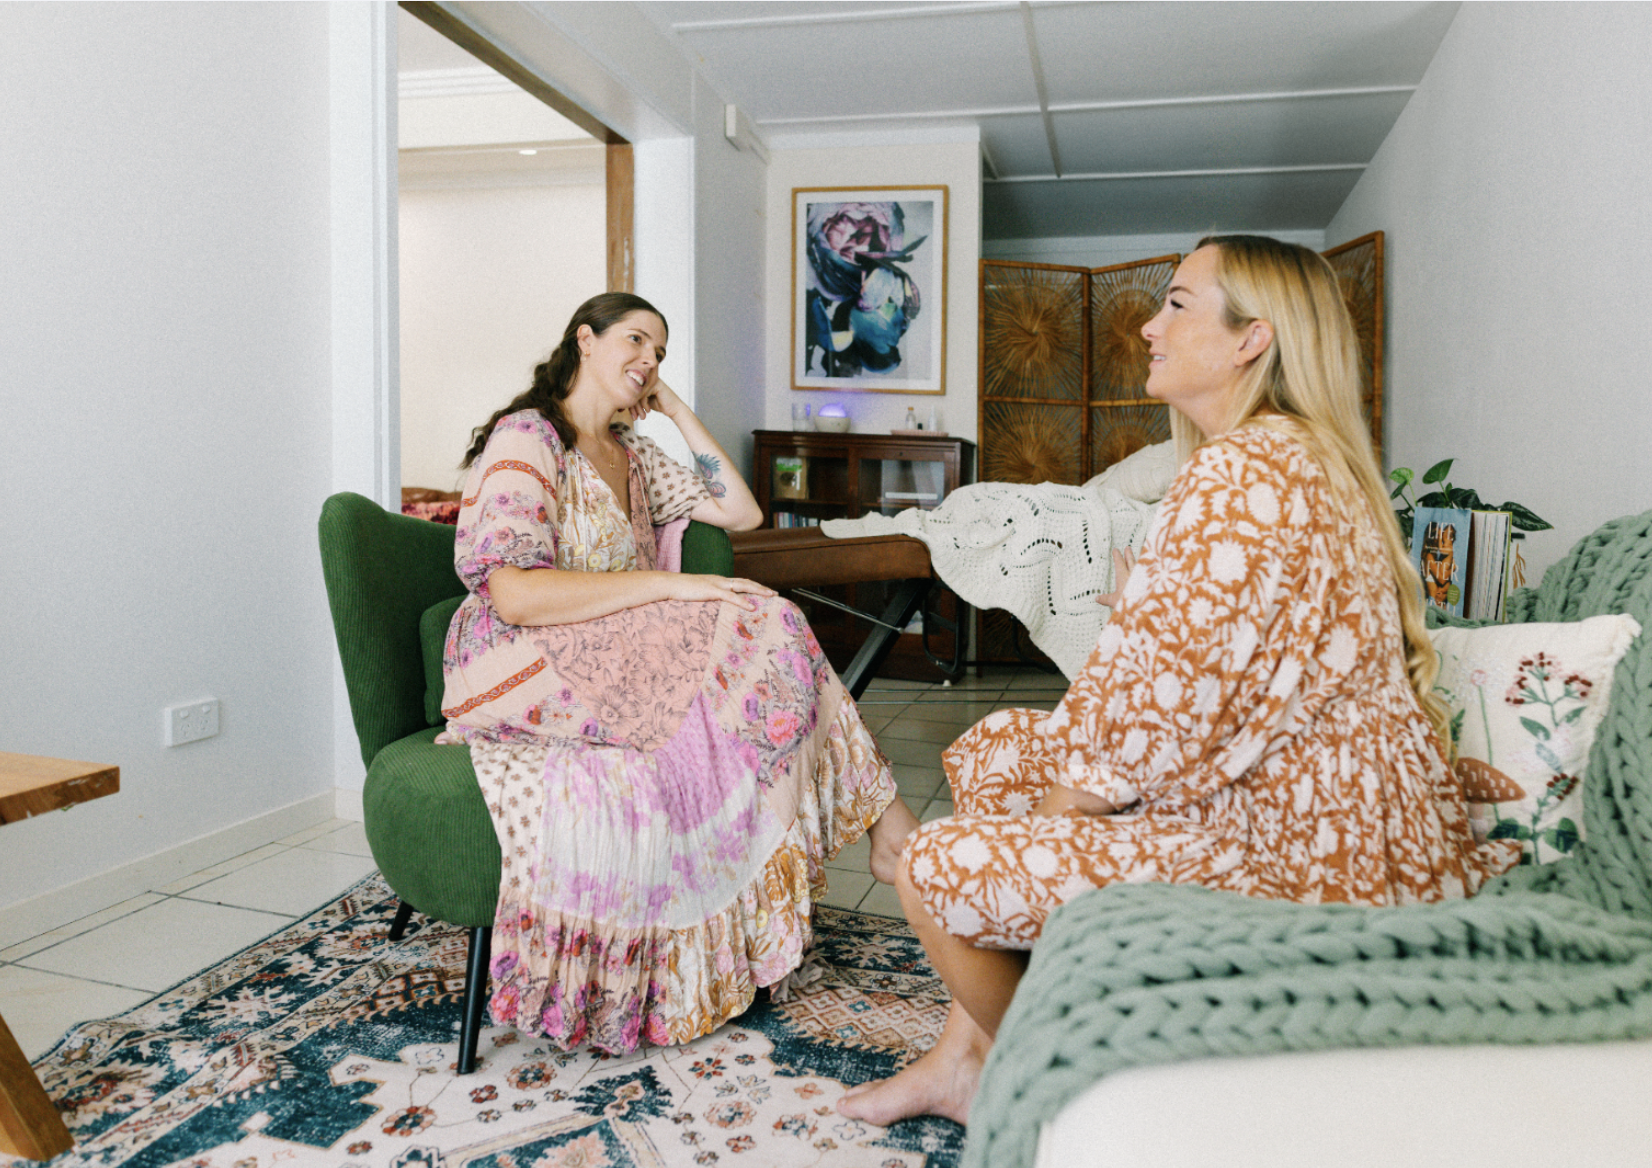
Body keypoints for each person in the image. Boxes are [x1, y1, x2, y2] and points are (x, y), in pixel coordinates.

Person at [836, 237, 1522, 1126]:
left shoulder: (1245, 471)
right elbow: (1205, 671)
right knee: (1002, 742)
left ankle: (1068, 1081)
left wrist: (1046, 834)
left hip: (1300, 846)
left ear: (1252, 339)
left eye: (1177, 304)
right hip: (1324, 805)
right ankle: (960, 1058)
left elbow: (1144, 721)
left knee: (934, 868)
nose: (1147, 325)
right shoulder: (1297, 458)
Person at [440, 292, 920, 1055]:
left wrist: (675, 410)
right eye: (635, 341)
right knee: (761, 613)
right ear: (584, 341)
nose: (648, 360)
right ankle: (891, 826)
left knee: (766, 615)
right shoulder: (528, 439)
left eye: (660, 352)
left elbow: (742, 513)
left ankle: (880, 825)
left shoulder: (633, 453)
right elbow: (517, 593)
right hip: (522, 653)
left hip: (621, 644)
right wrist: (672, 585)